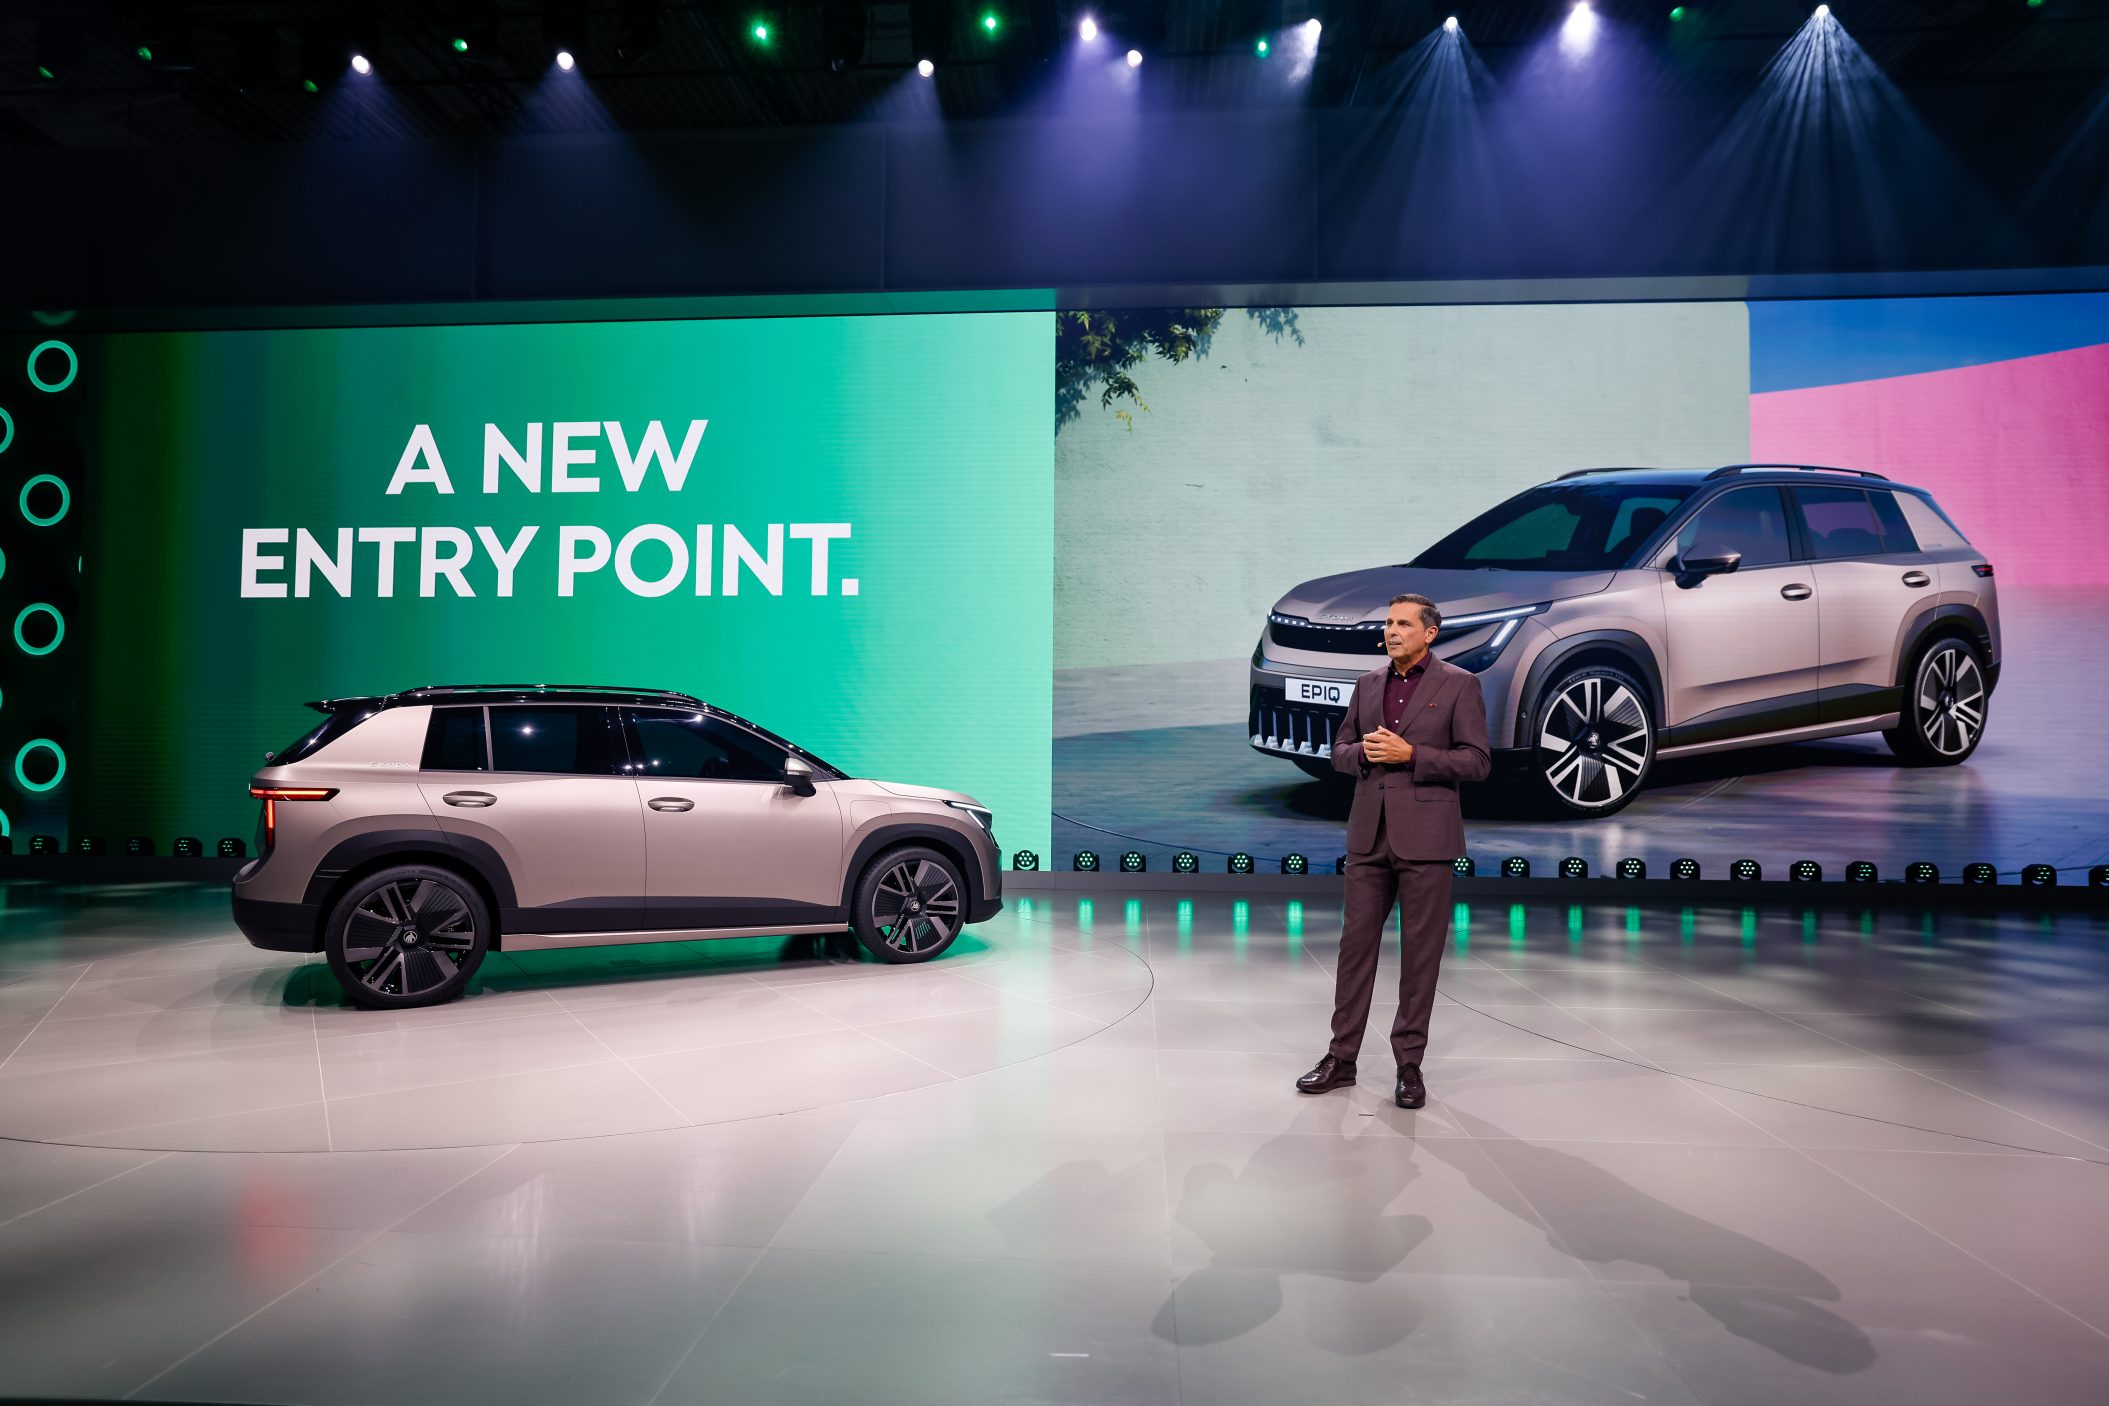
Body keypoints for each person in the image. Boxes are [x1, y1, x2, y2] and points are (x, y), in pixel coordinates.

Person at [1296, 591, 1490, 1109]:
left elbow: (1477, 761)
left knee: (1419, 957)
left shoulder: (1459, 684)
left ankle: (1409, 1065)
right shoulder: (1367, 685)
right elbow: (1339, 750)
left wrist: (1413, 755)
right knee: (1354, 950)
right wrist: (1363, 753)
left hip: (1427, 837)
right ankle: (1341, 1058)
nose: (1392, 631)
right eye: (1388, 623)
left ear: (1430, 633)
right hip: (1369, 836)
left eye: (1403, 624)